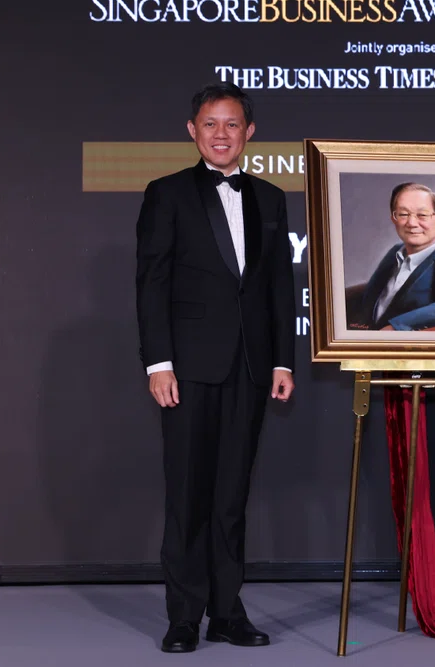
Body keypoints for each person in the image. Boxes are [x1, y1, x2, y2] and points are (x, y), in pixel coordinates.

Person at [135, 82, 296, 653]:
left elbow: (280, 285)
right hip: (187, 368)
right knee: (187, 495)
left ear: (249, 132)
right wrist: (159, 362)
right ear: (192, 131)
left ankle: (227, 612)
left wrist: (282, 358)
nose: (221, 134)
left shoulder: (272, 198)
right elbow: (152, 282)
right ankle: (184, 617)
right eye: (210, 124)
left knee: (231, 496)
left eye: (232, 124)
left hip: (252, 368)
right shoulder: (167, 193)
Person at [351, 182, 435, 330]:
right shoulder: (395, 253)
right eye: (403, 214)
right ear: (394, 219)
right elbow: (370, 301)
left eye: (422, 215)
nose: (411, 223)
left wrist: (397, 326)